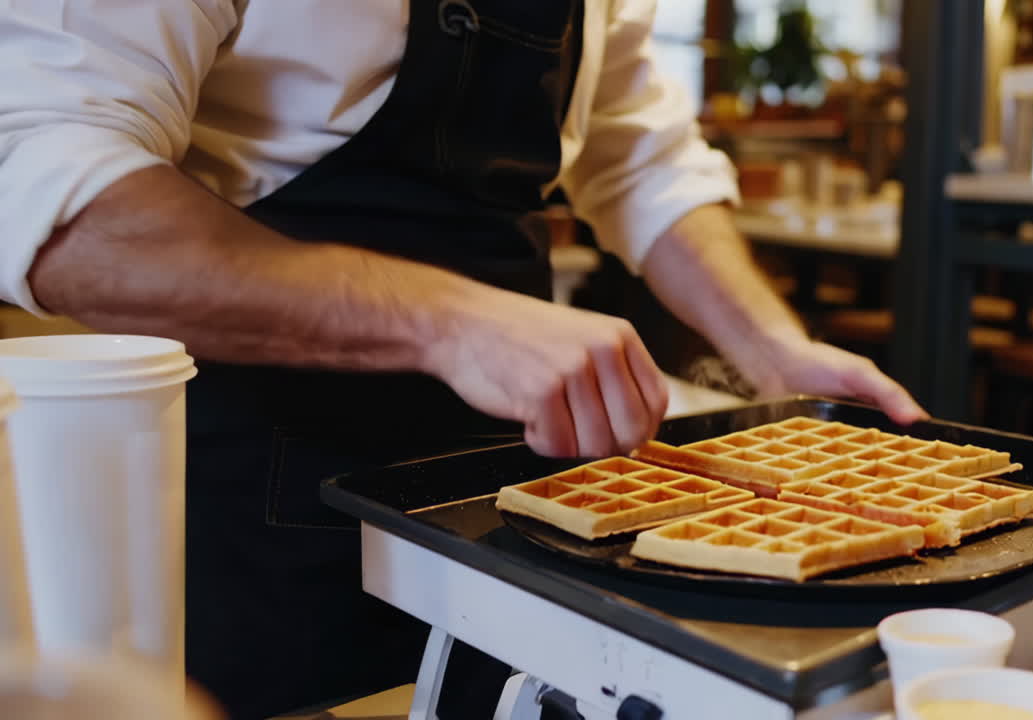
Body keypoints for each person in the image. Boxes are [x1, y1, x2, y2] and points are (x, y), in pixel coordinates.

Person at [0, 1, 926, 717]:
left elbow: (638, 154)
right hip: (260, 483)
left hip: (516, 484)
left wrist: (769, 345)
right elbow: (51, 190)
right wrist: (450, 321)